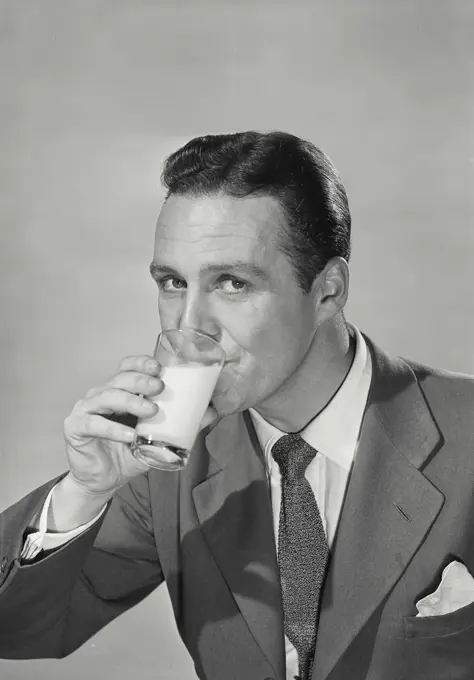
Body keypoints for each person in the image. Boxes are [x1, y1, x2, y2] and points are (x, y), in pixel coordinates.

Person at [0, 131, 473, 680]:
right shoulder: (161, 461)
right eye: (173, 282)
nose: (188, 325)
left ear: (328, 291)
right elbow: (17, 630)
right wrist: (84, 492)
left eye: (231, 283)